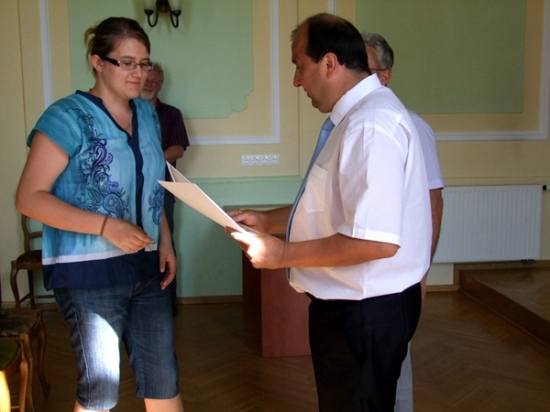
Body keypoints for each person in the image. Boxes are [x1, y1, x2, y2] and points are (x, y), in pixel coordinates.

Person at [227, 13, 431, 411]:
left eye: (299, 66)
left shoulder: (370, 125)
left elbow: (375, 241)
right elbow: (339, 207)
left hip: (364, 313)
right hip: (359, 310)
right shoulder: (360, 116)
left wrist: (282, 254)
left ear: (330, 63)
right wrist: (268, 220)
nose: (296, 81)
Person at [15, 17, 184, 412]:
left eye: (143, 63)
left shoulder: (147, 115)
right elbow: (28, 198)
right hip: (89, 274)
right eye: (126, 62)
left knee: (163, 379)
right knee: (100, 391)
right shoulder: (66, 116)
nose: (139, 73)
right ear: (97, 62)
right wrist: (106, 225)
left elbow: (152, 183)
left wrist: (166, 241)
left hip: (147, 268)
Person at [362, 32, 445, 412]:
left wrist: (422, 271)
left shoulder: (410, 126)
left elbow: (433, 201)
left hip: (398, 278)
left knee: (395, 374)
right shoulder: (351, 124)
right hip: (365, 280)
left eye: (365, 69)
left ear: (384, 76)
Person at [141, 62, 190, 316]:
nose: (150, 84)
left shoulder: (172, 114)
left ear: (161, 85)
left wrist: (148, 164)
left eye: (155, 81)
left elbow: (178, 149)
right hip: (131, 189)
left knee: (165, 241)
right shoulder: (125, 111)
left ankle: (166, 302)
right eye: (146, 80)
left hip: (164, 187)